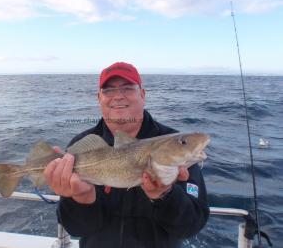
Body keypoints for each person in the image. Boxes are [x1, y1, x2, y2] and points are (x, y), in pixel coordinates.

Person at [44, 62, 209, 248]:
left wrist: (165, 196)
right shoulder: (80, 147)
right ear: (99, 98)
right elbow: (77, 229)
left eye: (128, 88)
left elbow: (191, 226)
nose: (118, 96)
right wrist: (82, 199)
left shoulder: (176, 148)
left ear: (143, 95)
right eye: (108, 90)